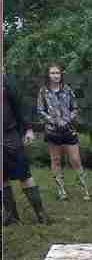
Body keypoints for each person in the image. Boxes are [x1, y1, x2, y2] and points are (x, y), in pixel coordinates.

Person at [2, 70, 51, 225]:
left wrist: (28, 129)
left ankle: (41, 213)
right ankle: (11, 216)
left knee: (24, 174)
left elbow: (21, 107)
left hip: (10, 135)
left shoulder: (6, 82)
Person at [37, 64, 90, 202]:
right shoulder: (43, 91)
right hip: (52, 131)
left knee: (75, 160)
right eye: (52, 73)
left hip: (68, 129)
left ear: (61, 75)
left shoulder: (67, 90)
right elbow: (40, 110)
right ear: (48, 75)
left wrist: (67, 119)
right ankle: (61, 190)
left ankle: (85, 189)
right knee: (56, 160)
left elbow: (75, 107)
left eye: (58, 73)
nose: (55, 75)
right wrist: (53, 120)